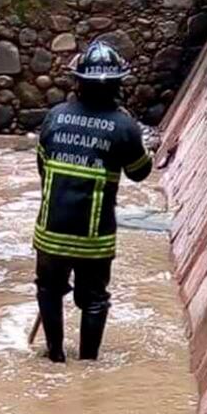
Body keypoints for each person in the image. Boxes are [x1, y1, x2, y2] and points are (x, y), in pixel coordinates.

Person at [32, 41, 153, 363]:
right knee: (94, 299)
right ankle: (88, 362)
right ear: (118, 85)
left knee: (48, 290)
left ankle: (55, 354)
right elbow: (140, 173)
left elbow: (43, 170)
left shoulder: (54, 117)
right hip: (94, 238)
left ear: (78, 82)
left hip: (51, 230)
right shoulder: (124, 126)